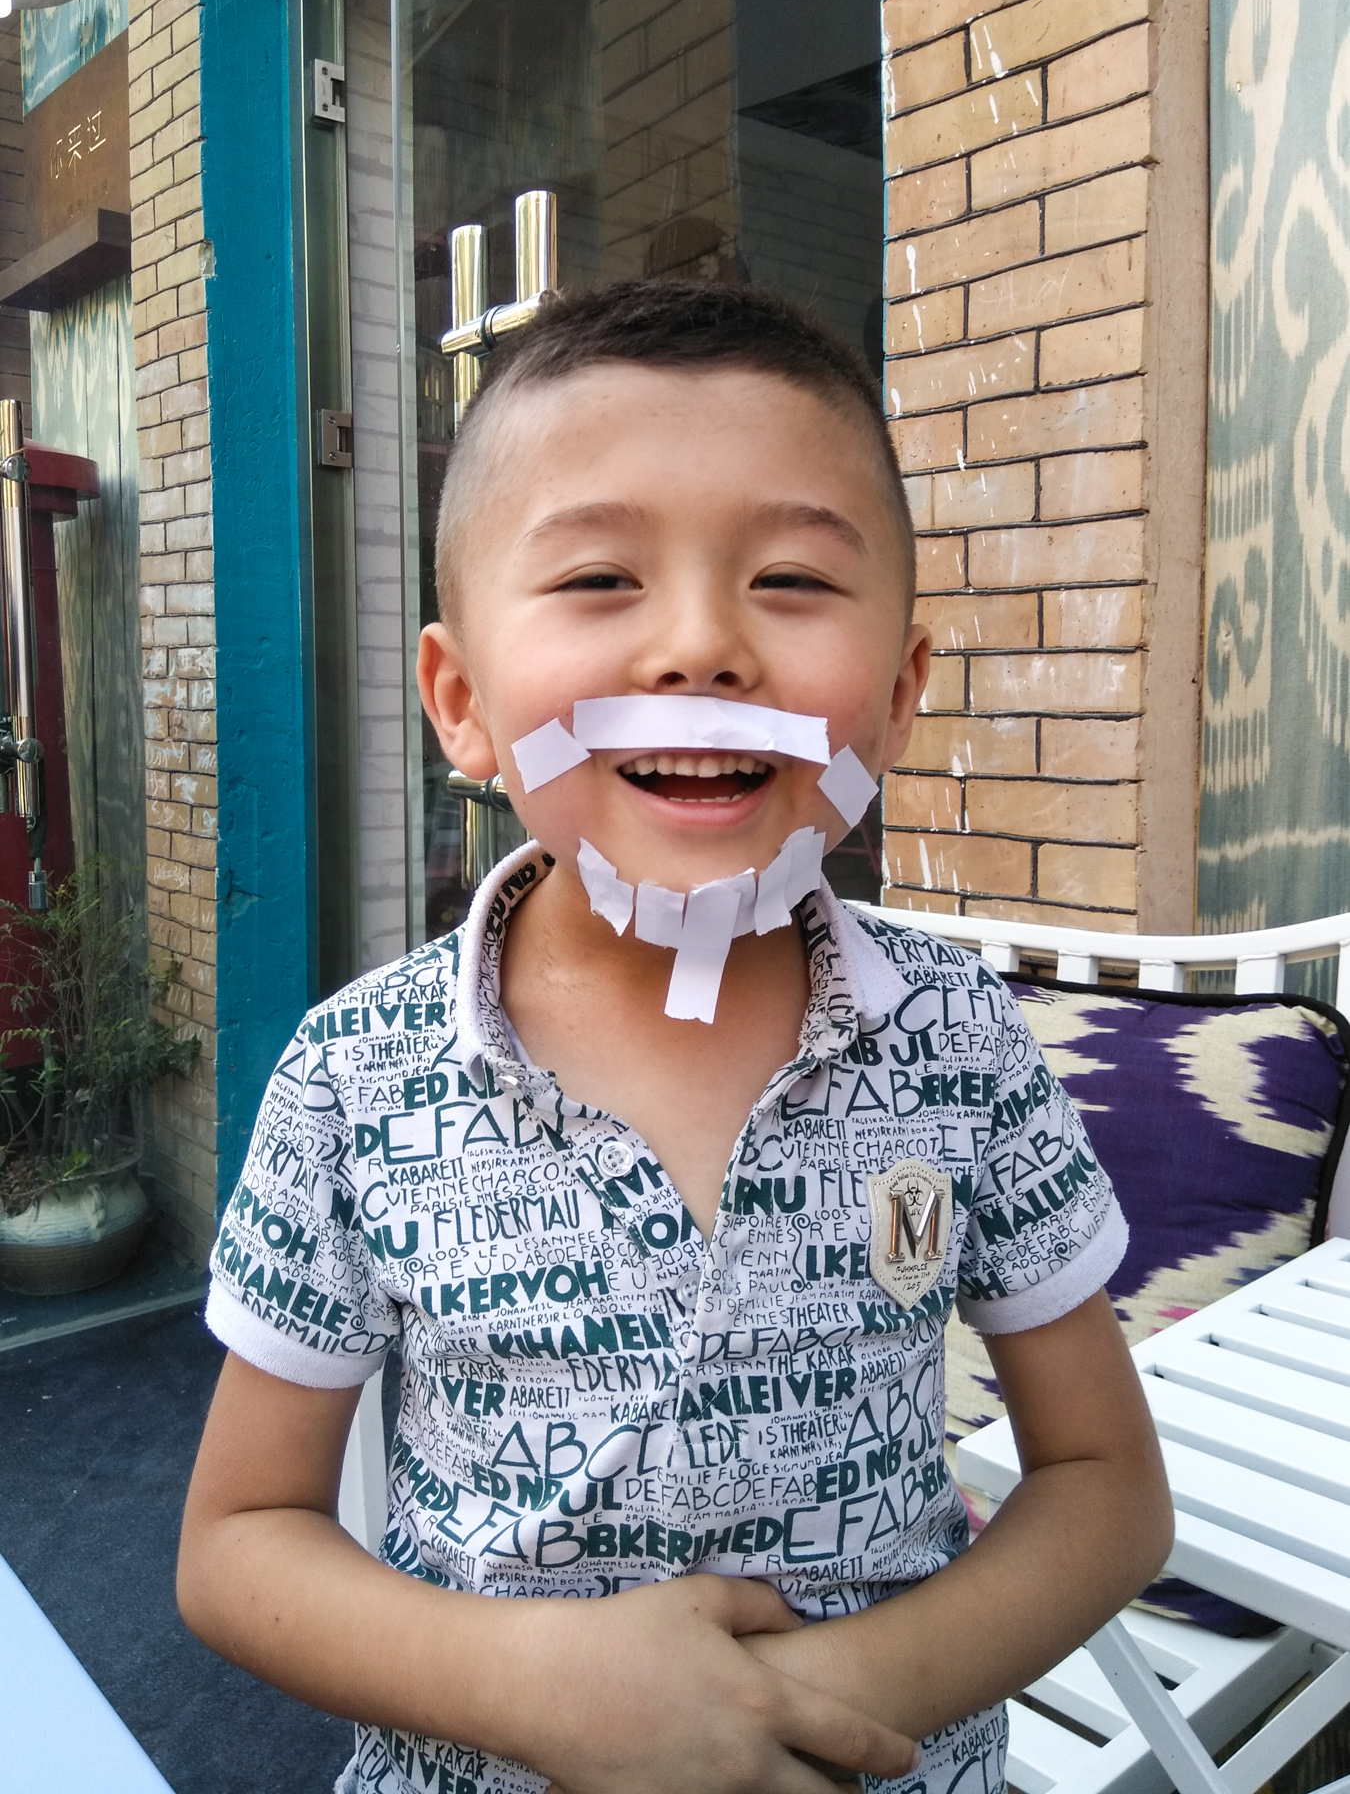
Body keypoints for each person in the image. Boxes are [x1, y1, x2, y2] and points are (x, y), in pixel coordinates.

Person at [178, 280, 1172, 1794]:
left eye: (791, 579)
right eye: (598, 579)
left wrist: (797, 1715)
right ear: (462, 701)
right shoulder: (352, 1076)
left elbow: (1106, 1490)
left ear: (898, 697)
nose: (701, 648)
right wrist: (544, 1692)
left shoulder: (962, 1040)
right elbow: (240, 1541)